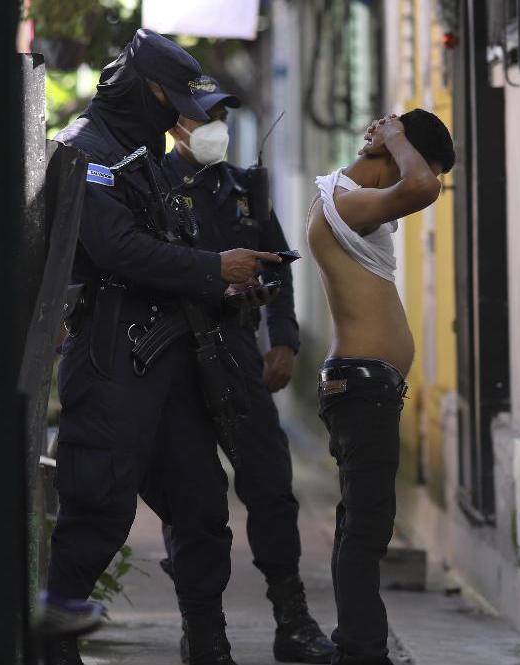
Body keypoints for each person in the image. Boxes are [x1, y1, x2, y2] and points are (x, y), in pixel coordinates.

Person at [45, 30, 281, 665]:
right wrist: (213, 269)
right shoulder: (85, 150)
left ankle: (206, 638)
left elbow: (172, 246)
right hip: (112, 357)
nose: (184, 117)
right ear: (143, 91)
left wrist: (232, 286)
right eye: (173, 101)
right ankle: (53, 639)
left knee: (200, 506)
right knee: (99, 500)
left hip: (176, 358)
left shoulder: (141, 152)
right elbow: (116, 249)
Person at [157, 77, 336, 664]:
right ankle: (204, 633)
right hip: (175, 360)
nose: (217, 129)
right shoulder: (151, 185)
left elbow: (278, 268)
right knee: (196, 500)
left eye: (222, 116)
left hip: (236, 357)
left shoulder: (245, 189)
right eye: (205, 117)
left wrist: (281, 340)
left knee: (271, 488)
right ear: (178, 124)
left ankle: (294, 620)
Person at [305, 110, 454, 665]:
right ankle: (363, 651)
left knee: (362, 522)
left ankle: (358, 644)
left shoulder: (347, 202)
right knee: (367, 528)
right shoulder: (347, 203)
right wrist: (396, 138)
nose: (416, 172)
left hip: (365, 384)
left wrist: (394, 141)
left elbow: (416, 180)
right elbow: (421, 185)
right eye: (417, 157)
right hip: (362, 385)